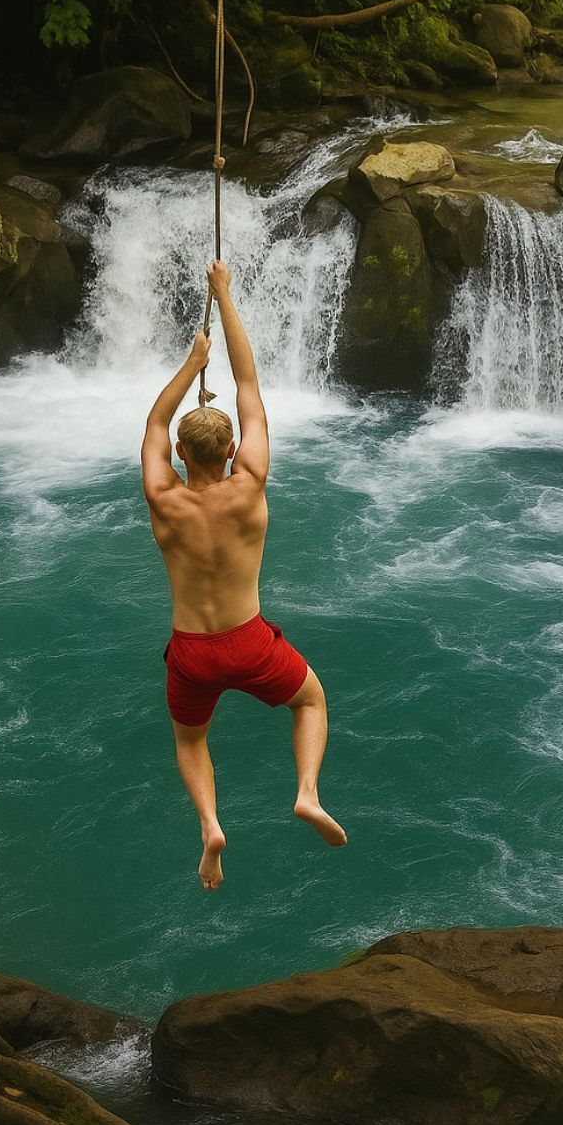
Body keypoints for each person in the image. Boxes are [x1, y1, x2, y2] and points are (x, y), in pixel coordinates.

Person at [141, 259, 347, 890]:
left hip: (193, 650)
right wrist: (225, 297)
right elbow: (250, 385)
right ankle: (307, 791)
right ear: (231, 452)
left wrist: (189, 363)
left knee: (191, 741)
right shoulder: (250, 484)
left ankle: (210, 826)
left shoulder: (163, 498)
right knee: (309, 699)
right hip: (248, 639)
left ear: (182, 455)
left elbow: (153, 423)